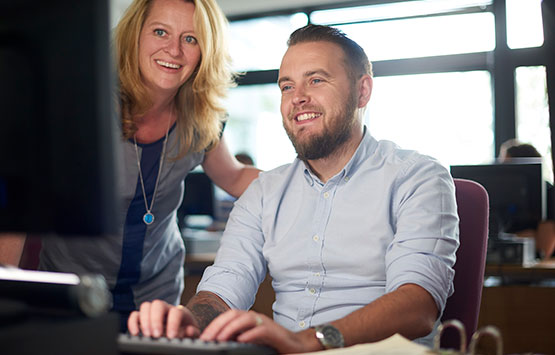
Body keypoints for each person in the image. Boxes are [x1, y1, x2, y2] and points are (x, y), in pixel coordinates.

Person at [128, 24, 459, 353]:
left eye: (316, 80)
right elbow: (222, 290)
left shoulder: (418, 177)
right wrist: (188, 321)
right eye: (287, 86)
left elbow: (418, 307)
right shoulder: (263, 192)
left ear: (363, 91)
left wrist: (307, 340)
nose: (298, 98)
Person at [0, 0, 259, 331]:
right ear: (135, 35)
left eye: (191, 39)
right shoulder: (83, 101)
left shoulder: (202, 117)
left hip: (157, 297)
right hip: (77, 289)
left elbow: (234, 176)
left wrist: (311, 178)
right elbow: (23, 196)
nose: (174, 50)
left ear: (206, 51)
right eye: (160, 32)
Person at [498, 139, 555, 259]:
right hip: (508, 270)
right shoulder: (504, 199)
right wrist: (528, 236)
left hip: (541, 272)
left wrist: (505, 239)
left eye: (506, 167)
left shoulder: (549, 194)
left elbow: (543, 248)